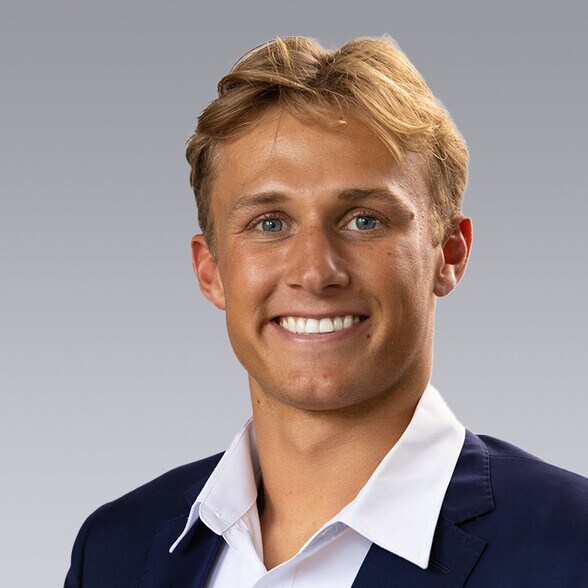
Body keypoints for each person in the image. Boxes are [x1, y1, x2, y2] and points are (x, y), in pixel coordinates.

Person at [64, 36, 588, 587]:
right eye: (270, 224)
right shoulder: (114, 551)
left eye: (364, 220)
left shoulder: (572, 547)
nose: (315, 272)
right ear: (211, 270)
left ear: (449, 253)